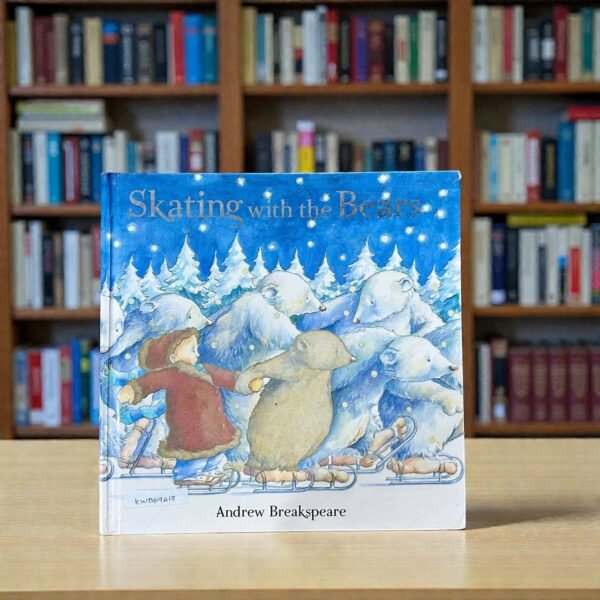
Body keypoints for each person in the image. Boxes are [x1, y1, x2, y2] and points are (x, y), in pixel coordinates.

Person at [117, 327, 259, 486]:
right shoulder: (172, 373)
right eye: (192, 350)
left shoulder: (204, 369)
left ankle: (212, 470)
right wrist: (132, 390)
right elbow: (149, 382)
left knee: (216, 448)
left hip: (213, 423)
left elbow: (226, 378)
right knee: (192, 452)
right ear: (173, 357)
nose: (197, 354)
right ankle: (187, 474)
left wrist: (245, 383)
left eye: (196, 349)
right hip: (188, 426)